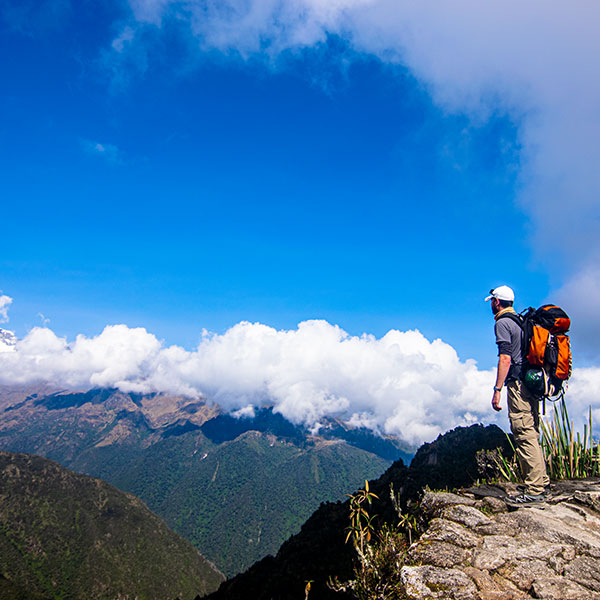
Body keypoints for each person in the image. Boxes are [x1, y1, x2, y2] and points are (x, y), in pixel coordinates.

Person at [485, 285, 550, 504]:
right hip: (532, 383)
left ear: (497, 302)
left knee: (523, 433)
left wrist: (497, 390)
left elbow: (505, 358)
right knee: (532, 430)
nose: (491, 305)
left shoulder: (503, 323)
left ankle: (534, 490)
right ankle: (541, 481)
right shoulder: (522, 322)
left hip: (518, 385)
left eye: (492, 301)